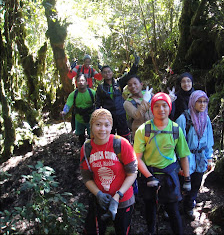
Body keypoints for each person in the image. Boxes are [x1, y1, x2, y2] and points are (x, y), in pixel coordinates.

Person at [133, 92, 191, 235]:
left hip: (169, 175)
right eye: (157, 106)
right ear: (152, 109)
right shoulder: (143, 130)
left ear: (169, 108)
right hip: (149, 175)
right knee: (149, 208)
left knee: (173, 209)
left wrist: (187, 178)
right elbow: (137, 158)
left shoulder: (175, 129)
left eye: (164, 105)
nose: (161, 109)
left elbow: (183, 156)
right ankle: (151, 230)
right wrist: (149, 177)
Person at [80, 108, 138, 235]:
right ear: (91, 126)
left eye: (107, 125)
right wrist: (99, 194)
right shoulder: (87, 148)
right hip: (100, 201)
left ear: (111, 126)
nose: (102, 129)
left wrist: (117, 196)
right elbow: (86, 177)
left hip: (123, 201)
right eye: (98, 124)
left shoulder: (121, 144)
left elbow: (132, 173)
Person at [176, 90, 214, 219]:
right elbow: (178, 143)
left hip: (201, 157)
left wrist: (209, 158)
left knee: (196, 183)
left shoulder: (206, 118)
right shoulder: (183, 119)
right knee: (183, 184)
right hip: (187, 158)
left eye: (204, 101)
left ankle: (189, 207)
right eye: (199, 101)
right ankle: (176, 208)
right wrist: (180, 164)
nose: (202, 104)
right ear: (193, 102)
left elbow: (209, 140)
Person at [95, 55, 140, 141]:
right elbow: (97, 103)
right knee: (109, 137)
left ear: (112, 73)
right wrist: (96, 117)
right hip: (108, 116)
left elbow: (130, 75)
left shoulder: (118, 82)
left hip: (121, 114)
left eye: (109, 71)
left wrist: (135, 64)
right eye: (105, 72)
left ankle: (125, 153)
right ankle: (111, 153)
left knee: (124, 137)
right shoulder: (101, 88)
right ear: (102, 74)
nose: (107, 74)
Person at [61, 74, 95, 145]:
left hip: (91, 118)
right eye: (79, 81)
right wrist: (64, 111)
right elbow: (68, 104)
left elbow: (98, 102)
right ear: (76, 83)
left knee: (92, 136)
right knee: (80, 135)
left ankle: (91, 149)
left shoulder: (92, 93)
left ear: (86, 82)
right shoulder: (73, 94)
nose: (81, 82)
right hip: (79, 118)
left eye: (83, 80)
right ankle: (82, 149)